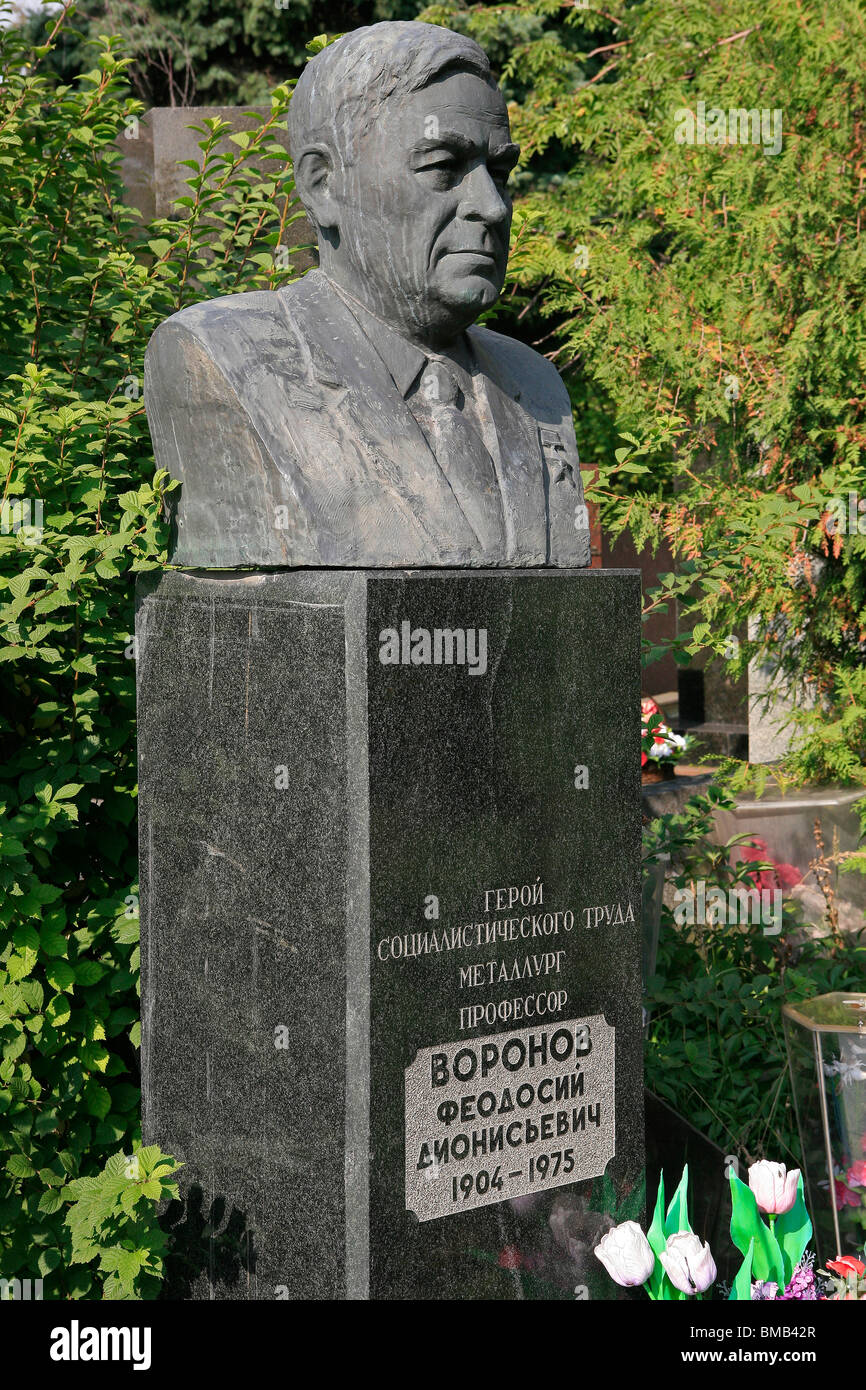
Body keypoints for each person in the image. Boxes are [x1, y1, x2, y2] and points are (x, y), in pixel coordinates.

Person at [144, 21, 591, 569]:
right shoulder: (219, 354)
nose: (492, 206)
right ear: (324, 185)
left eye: (499, 172)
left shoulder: (534, 383)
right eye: (442, 167)